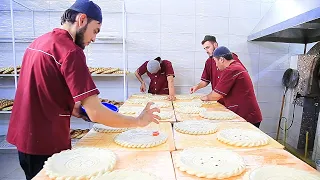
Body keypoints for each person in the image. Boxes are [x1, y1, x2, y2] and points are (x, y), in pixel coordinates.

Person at [6, 1, 160, 179]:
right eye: (95, 30)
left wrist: (76, 109)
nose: (94, 38)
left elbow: (43, 90)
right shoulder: (71, 51)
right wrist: (138, 121)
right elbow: (96, 113)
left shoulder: (40, 41)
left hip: (24, 137)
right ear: (81, 19)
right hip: (46, 141)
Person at [201, 46, 262, 128]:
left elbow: (216, 95)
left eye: (215, 61)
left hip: (247, 116)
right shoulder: (236, 66)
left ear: (222, 60)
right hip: (246, 114)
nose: (215, 65)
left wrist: (204, 98)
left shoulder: (231, 70)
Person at [190, 35, 245, 105]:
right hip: (219, 100)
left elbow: (241, 75)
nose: (206, 51)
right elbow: (205, 80)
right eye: (205, 49)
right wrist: (197, 87)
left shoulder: (230, 59)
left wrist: (207, 97)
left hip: (233, 100)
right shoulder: (209, 62)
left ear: (215, 45)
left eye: (208, 47)